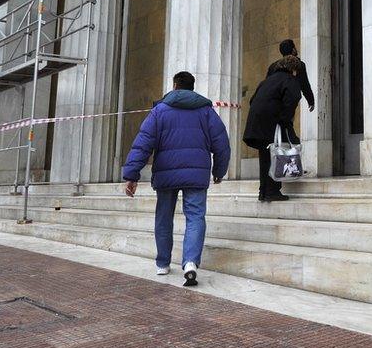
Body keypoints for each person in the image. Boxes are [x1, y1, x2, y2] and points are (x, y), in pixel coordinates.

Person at [122, 71, 231, 287]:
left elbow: (143, 143)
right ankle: (190, 262)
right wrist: (219, 171)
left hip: (166, 173)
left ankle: (163, 263)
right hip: (196, 173)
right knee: (195, 217)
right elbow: (222, 143)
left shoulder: (159, 111)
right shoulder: (206, 112)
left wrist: (132, 175)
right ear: (192, 87)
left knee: (164, 217)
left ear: (174, 86)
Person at [245, 55, 302, 202]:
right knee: (276, 155)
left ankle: (263, 192)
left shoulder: (267, 81)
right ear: (293, 69)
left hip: (257, 123)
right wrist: (284, 120)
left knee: (266, 156)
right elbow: (292, 99)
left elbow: (252, 100)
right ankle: (272, 191)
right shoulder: (290, 80)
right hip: (272, 122)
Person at [267, 39, 314, 112]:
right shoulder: (298, 65)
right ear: (293, 50)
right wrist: (311, 101)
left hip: (272, 103)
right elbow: (304, 85)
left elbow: (266, 86)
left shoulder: (272, 66)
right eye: (294, 47)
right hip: (287, 102)